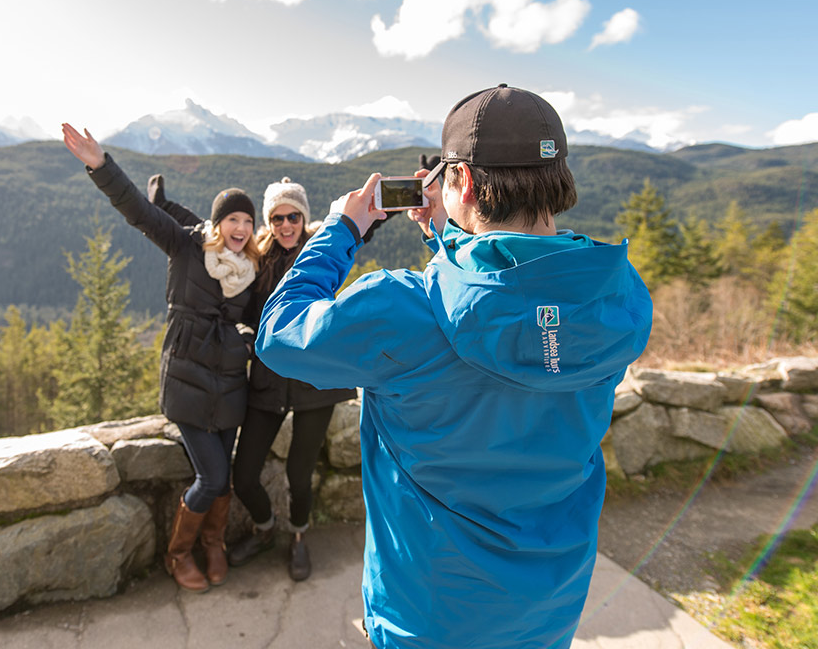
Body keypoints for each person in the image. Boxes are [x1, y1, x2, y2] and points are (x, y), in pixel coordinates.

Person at [254, 85, 653, 648]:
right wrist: (448, 236)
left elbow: (280, 332)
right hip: (547, 611)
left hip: (426, 617)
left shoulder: (402, 311)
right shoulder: (615, 301)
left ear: (461, 180)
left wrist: (340, 230)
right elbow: (512, 311)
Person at [62, 123, 259, 594]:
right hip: (188, 384)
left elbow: (262, 315)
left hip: (230, 386)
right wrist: (101, 166)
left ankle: (214, 544)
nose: (240, 228)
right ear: (217, 223)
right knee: (211, 476)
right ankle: (178, 554)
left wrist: (247, 342)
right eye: (232, 219)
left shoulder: (252, 269)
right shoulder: (186, 246)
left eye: (248, 222)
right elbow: (139, 212)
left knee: (224, 477)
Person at [148, 174, 356, 581]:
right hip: (268, 380)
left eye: (293, 217)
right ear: (268, 222)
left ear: (304, 218)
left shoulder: (321, 251)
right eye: (277, 218)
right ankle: (264, 529)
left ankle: (298, 536)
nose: (286, 225)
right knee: (243, 477)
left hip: (315, 382)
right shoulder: (257, 260)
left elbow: (360, 227)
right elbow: (213, 225)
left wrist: (404, 203)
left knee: (299, 475)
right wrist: (164, 207)